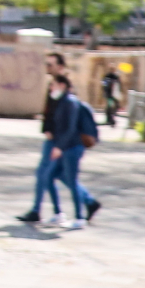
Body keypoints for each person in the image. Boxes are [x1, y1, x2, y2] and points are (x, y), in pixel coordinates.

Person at [21, 74, 101, 228]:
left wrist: (59, 147)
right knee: (49, 176)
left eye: (53, 85)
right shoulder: (61, 101)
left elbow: (70, 128)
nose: (51, 88)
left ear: (62, 85)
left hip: (71, 147)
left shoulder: (70, 102)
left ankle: (79, 218)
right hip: (64, 147)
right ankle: (58, 213)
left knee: (71, 180)